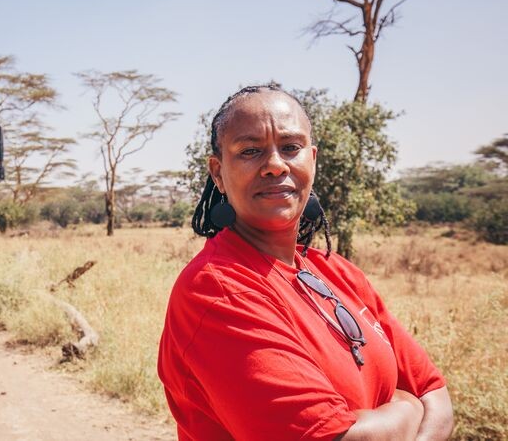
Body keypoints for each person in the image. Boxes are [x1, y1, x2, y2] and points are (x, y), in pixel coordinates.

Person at [157, 85, 454, 440]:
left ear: (312, 159)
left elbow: (434, 393)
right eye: (250, 151)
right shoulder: (217, 291)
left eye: (291, 148)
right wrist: (407, 406)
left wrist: (407, 415)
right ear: (218, 173)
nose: (274, 165)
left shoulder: (338, 272)